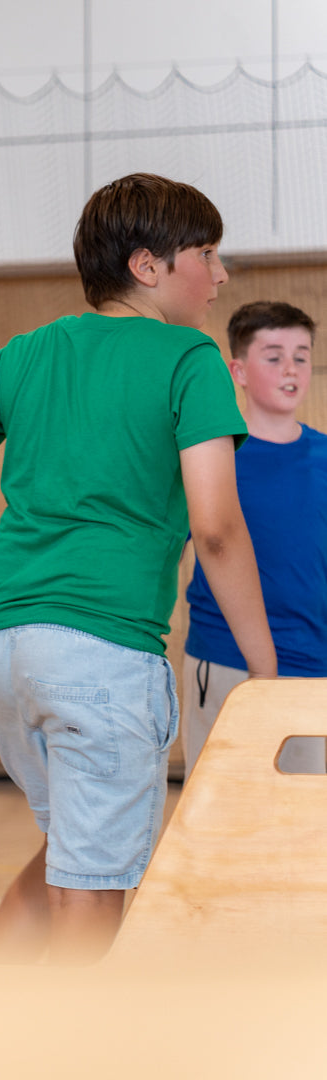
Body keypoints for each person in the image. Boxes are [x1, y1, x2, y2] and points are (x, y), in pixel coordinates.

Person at [0, 173, 276, 965]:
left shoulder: (30, 350)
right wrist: (266, 670)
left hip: (4, 649)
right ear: (148, 266)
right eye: (208, 253)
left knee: (66, 858)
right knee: (92, 889)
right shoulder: (188, 356)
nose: (221, 274)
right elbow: (218, 528)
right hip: (99, 649)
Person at [183, 301, 326, 775]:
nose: (291, 368)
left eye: (301, 355)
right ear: (238, 371)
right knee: (219, 821)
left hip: (312, 670)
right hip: (226, 663)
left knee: (305, 827)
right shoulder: (209, 457)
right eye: (273, 355)